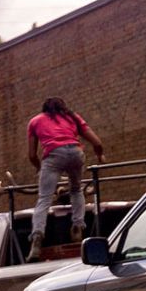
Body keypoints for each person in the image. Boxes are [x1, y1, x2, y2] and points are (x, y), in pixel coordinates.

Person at [27, 97, 104, 260]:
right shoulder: (73, 117)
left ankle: (37, 237)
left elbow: (32, 155)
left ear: (44, 109)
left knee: (44, 199)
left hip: (53, 155)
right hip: (76, 153)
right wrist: (100, 155)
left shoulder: (35, 121)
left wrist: (39, 168)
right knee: (76, 190)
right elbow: (97, 142)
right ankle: (77, 226)